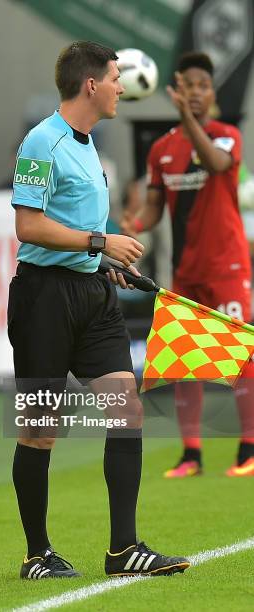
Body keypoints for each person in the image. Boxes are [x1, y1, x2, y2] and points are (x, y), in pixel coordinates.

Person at [8, 41, 189, 580]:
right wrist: (100, 243)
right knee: (41, 428)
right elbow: (28, 226)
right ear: (91, 84)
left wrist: (103, 262)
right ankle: (37, 554)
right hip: (44, 298)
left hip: (94, 296)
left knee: (126, 408)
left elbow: (75, 236)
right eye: (115, 77)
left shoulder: (89, 145)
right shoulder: (42, 142)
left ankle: (123, 550)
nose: (120, 87)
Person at [121, 52, 254, 479]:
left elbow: (215, 164)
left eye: (202, 86)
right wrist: (135, 223)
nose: (195, 93)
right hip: (187, 271)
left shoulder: (226, 136)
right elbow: (156, 208)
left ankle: (248, 448)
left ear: (211, 93)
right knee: (184, 361)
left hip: (228, 267)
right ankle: (192, 455)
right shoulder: (162, 150)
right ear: (177, 88)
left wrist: (187, 119)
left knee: (239, 357)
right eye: (188, 86)